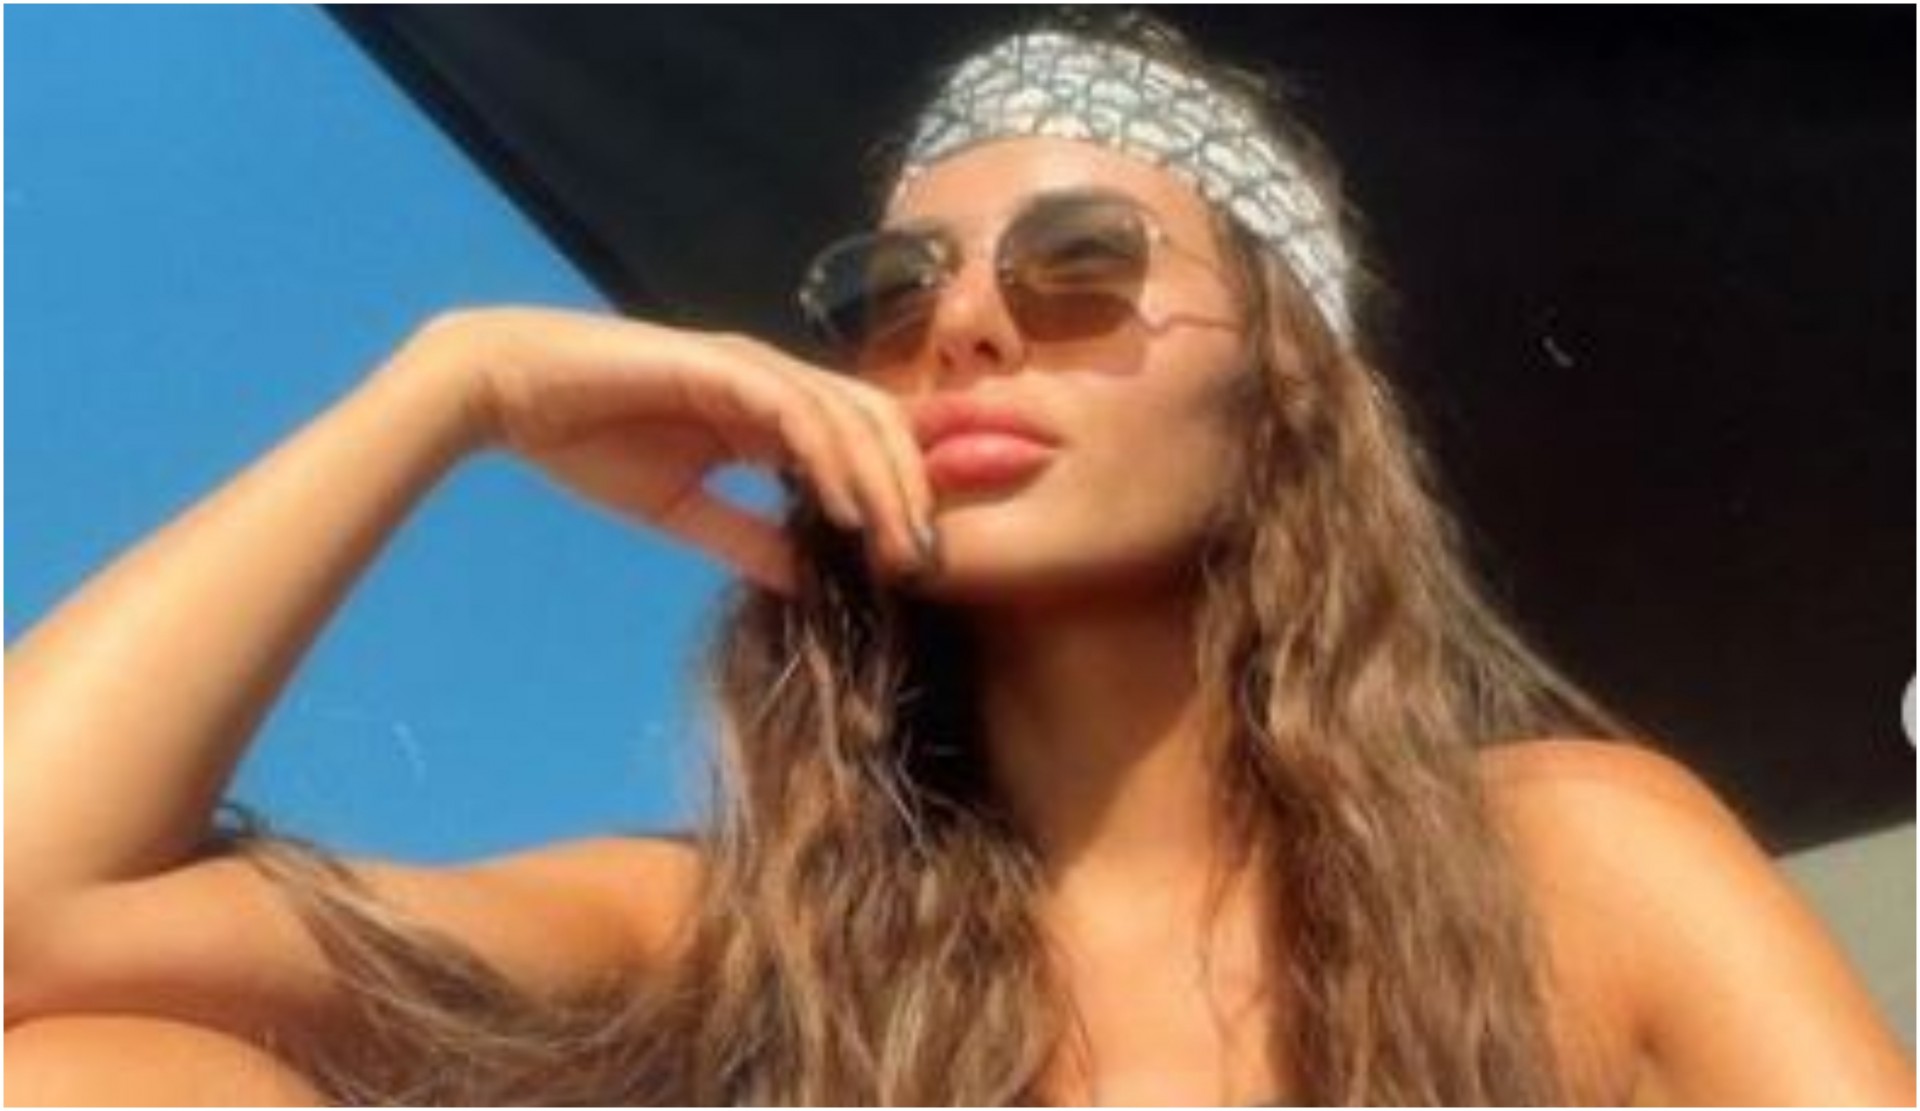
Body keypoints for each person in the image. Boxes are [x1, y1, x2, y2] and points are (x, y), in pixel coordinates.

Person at [6, 11, 1913, 1107]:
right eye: (889, 290)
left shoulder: (1569, 858)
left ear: (1287, 390)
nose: (968, 325)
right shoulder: (737, 942)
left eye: (1082, 266)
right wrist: (454, 386)